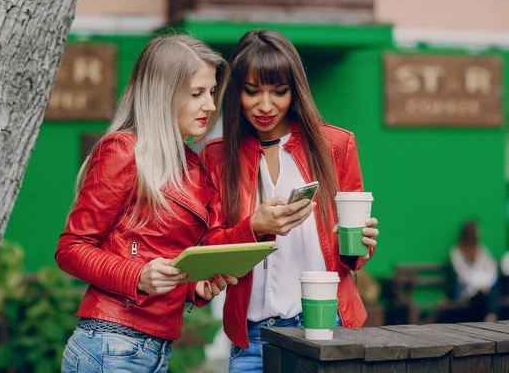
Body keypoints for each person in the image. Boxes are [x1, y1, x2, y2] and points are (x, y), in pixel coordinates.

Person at [199, 29, 380, 372]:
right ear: (234, 91)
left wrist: (362, 246)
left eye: (278, 92)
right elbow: (209, 249)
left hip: (328, 327)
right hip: (253, 336)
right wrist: (254, 227)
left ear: (295, 91)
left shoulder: (335, 147)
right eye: (252, 92)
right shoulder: (217, 157)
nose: (265, 106)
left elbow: (352, 253)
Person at [56, 34, 237, 373]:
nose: (210, 105)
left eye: (211, 92)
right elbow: (71, 248)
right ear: (163, 94)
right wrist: (137, 275)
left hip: (153, 349)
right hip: (110, 344)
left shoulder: (191, 166)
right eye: (196, 93)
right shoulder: (124, 151)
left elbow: (158, 253)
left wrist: (193, 286)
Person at [450, 221, 499, 322]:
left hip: (486, 288)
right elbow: (463, 275)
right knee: (484, 296)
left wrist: (486, 285)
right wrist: (481, 286)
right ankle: (491, 317)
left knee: (492, 291)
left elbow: (491, 270)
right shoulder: (456, 252)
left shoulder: (482, 250)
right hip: (468, 290)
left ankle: (490, 316)